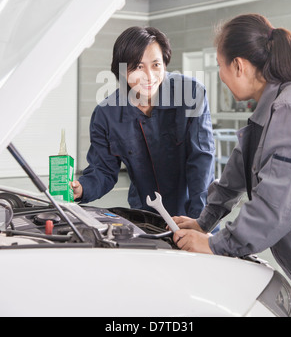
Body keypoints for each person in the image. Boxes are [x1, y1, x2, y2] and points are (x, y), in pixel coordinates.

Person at [173, 13, 291, 289]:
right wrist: (203, 222)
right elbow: (237, 172)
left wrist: (217, 245)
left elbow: (273, 204)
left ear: (239, 66)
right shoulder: (268, 110)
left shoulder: (289, 107)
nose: (220, 75)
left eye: (221, 66)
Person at [72, 26, 215, 218]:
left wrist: (201, 222)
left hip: (193, 209)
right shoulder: (107, 115)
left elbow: (202, 160)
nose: (149, 76)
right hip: (144, 212)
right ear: (122, 71)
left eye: (156, 65)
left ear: (165, 63)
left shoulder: (191, 94)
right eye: (138, 67)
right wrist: (82, 188)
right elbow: (103, 170)